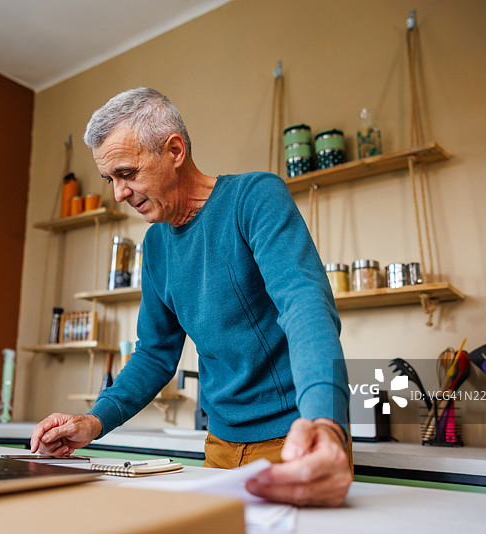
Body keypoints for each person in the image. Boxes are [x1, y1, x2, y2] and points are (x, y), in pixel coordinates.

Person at [31, 87, 352, 507]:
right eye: (111, 180)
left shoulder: (255, 199)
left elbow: (305, 306)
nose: (119, 194)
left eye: (127, 173)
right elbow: (154, 355)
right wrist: (93, 422)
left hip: (296, 435)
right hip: (219, 446)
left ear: (175, 150)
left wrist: (325, 425)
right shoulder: (157, 247)